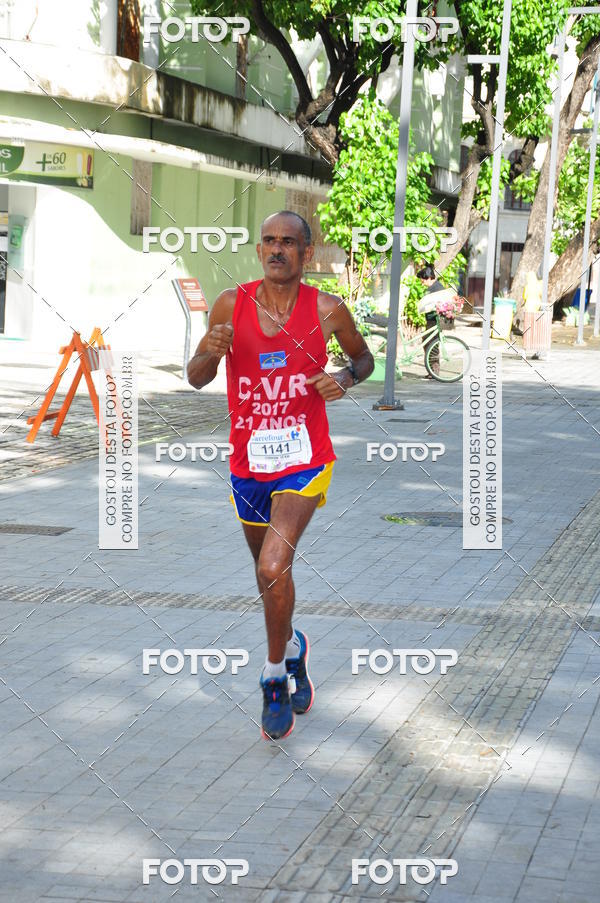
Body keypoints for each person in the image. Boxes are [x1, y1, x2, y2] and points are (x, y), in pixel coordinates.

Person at [187, 211, 374, 740]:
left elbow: (364, 361)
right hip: (248, 466)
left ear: (306, 255)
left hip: (305, 459)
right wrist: (210, 354)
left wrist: (343, 377)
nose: (276, 250)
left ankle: (272, 678)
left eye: (288, 242)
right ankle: (292, 649)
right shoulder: (231, 304)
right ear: (259, 249)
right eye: (268, 240)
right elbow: (197, 377)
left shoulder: (328, 309)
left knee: (274, 563)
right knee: (270, 578)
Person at [417, 264, 444, 377]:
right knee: (427, 343)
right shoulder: (432, 288)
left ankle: (434, 371)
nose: (422, 283)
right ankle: (432, 370)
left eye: (423, 280)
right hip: (431, 320)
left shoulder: (437, 288)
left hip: (435, 320)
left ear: (428, 278)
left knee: (432, 344)